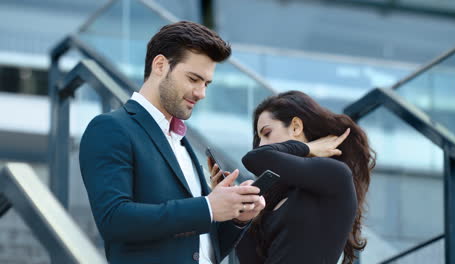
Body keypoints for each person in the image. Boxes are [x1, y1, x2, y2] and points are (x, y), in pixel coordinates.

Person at [79, 21, 265, 264]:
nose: (201, 93)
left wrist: (237, 217)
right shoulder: (111, 128)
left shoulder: (181, 142)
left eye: (206, 83)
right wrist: (207, 207)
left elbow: (203, 248)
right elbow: (114, 219)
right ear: (160, 65)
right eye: (193, 78)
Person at [210, 91, 376, 264]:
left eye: (266, 133)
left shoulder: (335, 174)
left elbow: (254, 158)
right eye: (258, 139)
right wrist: (240, 216)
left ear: (296, 127)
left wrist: (306, 148)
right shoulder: (275, 195)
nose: (260, 145)